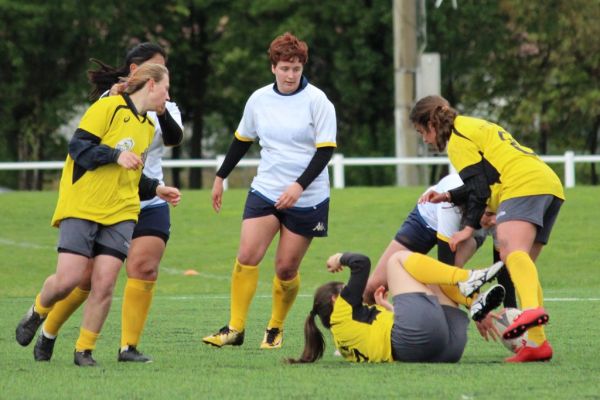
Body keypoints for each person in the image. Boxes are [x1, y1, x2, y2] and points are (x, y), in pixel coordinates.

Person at [15, 63, 181, 367]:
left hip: (121, 211)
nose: (168, 97)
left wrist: (157, 188)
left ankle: (84, 350)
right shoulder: (108, 107)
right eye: (166, 89)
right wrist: (115, 155)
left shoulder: (147, 128)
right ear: (151, 85)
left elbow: (132, 176)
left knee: (104, 283)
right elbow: (79, 148)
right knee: (68, 279)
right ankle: (38, 310)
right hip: (83, 204)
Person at [202, 32, 337, 349]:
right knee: (247, 255)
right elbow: (242, 140)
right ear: (273, 67)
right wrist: (220, 176)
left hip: (308, 196)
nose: (290, 75)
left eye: (296, 69)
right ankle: (234, 329)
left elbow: (325, 151)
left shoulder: (318, 102)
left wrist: (298, 186)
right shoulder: (259, 99)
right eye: (285, 68)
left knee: (286, 268)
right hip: (265, 190)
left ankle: (275, 329)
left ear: (303, 68)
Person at [410, 95, 564, 362]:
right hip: (547, 182)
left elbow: (479, 189)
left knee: (508, 249)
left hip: (523, 183)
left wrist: (468, 229)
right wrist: (447, 196)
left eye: (423, 132)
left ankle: (530, 310)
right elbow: (484, 180)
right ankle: (537, 343)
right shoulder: (473, 126)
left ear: (433, 123)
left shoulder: (457, 140)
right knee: (521, 262)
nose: (424, 139)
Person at [287, 251, 505, 364]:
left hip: (442, 351)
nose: (351, 293)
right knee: (396, 260)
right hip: (418, 340)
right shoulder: (343, 310)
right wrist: (338, 258)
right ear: (335, 299)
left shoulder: (341, 339)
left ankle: (475, 302)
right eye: (344, 290)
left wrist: (386, 307)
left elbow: (378, 341)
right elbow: (361, 263)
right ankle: (467, 278)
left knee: (430, 276)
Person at [363, 173, 486, 305]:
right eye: (489, 214)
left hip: (470, 231)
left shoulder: (501, 208)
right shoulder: (450, 205)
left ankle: (434, 322)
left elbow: (504, 259)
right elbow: (445, 266)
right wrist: (475, 305)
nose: (494, 221)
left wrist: (508, 308)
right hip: (426, 219)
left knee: (448, 284)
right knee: (374, 288)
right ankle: (347, 314)